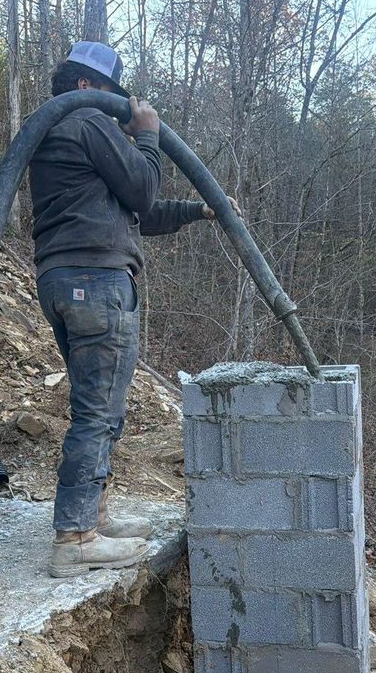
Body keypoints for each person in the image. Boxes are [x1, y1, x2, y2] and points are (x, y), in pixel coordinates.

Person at [29, 41, 232, 577]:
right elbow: (142, 188)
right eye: (115, 96)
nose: (120, 107)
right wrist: (147, 133)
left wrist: (199, 210)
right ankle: (75, 537)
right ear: (86, 86)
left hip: (64, 279)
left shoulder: (59, 134)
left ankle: (90, 514)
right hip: (97, 282)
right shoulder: (89, 121)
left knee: (97, 405)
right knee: (97, 411)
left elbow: (132, 213)